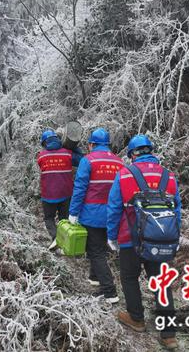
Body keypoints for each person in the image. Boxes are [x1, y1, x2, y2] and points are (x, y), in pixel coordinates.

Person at [106, 134, 181, 350]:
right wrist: (176, 236)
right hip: (162, 239)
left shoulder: (124, 174)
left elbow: (114, 209)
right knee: (161, 283)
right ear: (151, 152)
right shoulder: (169, 176)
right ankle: (169, 335)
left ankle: (136, 318)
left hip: (129, 238)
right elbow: (176, 210)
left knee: (129, 277)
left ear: (132, 154)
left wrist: (111, 236)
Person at [69, 128, 123, 304]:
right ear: (107, 144)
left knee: (96, 251)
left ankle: (109, 292)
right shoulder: (119, 162)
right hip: (113, 215)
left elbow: (79, 188)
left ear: (92, 144)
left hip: (92, 215)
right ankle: (95, 277)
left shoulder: (88, 160)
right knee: (99, 248)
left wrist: (73, 212)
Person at [37, 129, 82, 250]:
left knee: (48, 218)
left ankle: (55, 238)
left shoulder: (41, 156)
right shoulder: (67, 153)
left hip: (48, 195)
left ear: (44, 143)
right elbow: (81, 161)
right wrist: (74, 148)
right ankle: (65, 243)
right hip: (66, 193)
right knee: (64, 219)